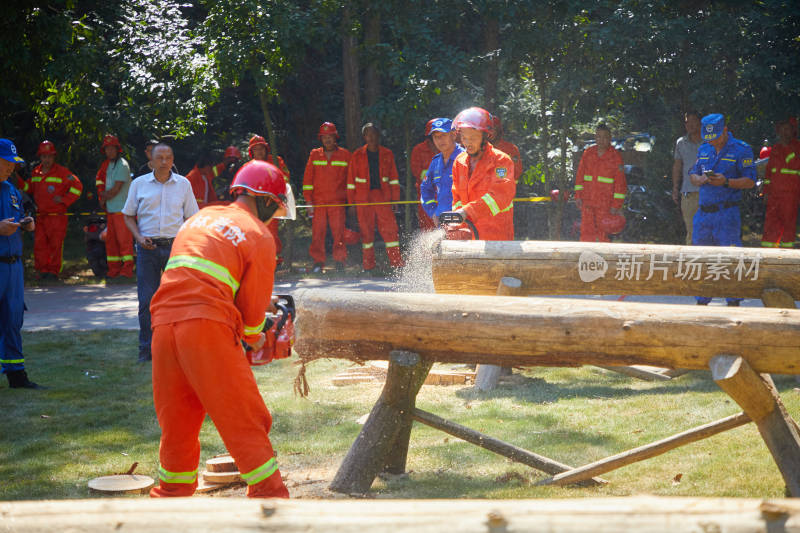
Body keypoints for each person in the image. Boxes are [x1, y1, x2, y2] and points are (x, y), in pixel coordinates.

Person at [148, 160, 291, 499]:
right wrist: (260, 336)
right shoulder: (259, 235)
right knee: (243, 415)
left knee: (178, 422)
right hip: (205, 328)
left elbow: (205, 277)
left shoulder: (198, 219)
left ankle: (171, 497)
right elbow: (254, 319)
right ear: (268, 200)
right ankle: (270, 497)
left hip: (164, 325)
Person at [123, 143, 198, 363]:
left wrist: (186, 243)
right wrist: (138, 238)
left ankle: (180, 347)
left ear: (173, 160)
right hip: (147, 249)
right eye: (160, 158)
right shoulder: (139, 184)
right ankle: (146, 350)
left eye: (168, 157)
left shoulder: (183, 184)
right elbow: (128, 215)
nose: (164, 161)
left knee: (180, 300)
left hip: (176, 248)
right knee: (147, 301)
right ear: (151, 162)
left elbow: (193, 218)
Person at [689, 113, 756, 306]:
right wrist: (699, 179)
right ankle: (702, 301)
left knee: (730, 259)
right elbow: (693, 173)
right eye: (709, 139)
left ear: (725, 130)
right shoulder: (704, 149)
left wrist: (726, 182)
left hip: (726, 214)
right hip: (703, 214)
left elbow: (750, 181)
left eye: (716, 138)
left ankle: (733, 302)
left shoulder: (741, 150)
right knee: (701, 258)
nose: (713, 143)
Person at [0, 139, 41, 389]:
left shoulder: (12, 190)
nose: (11, 168)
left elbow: (17, 218)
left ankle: (17, 375)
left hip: (13, 267)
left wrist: (28, 223)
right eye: (6, 163)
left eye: (13, 164)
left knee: (13, 320)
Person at [449, 107, 515, 240]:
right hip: (469, 235)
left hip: (497, 236)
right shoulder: (459, 161)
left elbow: (500, 195)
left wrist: (467, 212)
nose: (467, 143)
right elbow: (457, 197)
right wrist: (457, 221)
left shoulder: (500, 161)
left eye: (472, 138)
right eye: (464, 138)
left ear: (485, 137)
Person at [347, 123, 405, 272]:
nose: (371, 137)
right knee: (366, 233)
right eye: (367, 134)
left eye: (373, 134)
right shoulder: (357, 155)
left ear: (378, 136)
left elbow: (393, 178)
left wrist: (395, 200)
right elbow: (351, 181)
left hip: (382, 197)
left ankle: (396, 263)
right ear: (364, 137)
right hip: (363, 199)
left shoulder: (387, 154)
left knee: (390, 230)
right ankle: (368, 266)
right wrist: (352, 203)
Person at [25, 141, 83, 279]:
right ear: (40, 157)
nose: (47, 159)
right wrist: (18, 180)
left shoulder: (62, 172)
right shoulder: (36, 172)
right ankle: (42, 271)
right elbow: (29, 188)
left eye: (49, 156)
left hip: (57, 216)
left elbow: (77, 186)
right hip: (41, 216)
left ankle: (53, 272)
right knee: (40, 245)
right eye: (44, 156)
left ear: (54, 157)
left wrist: (64, 200)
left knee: (55, 245)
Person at [302, 122, 350, 272]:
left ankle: (340, 262)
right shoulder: (315, 154)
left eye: (330, 137)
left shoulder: (345, 155)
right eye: (324, 137)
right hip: (318, 202)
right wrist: (308, 200)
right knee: (318, 233)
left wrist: (350, 200)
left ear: (335, 137)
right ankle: (318, 263)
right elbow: (308, 180)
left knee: (339, 232)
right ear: (321, 139)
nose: (327, 140)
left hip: (337, 202)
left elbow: (350, 179)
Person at [574, 124, 627, 242]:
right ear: (595, 137)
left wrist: (616, 205)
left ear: (610, 138)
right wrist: (578, 195)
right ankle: (585, 258)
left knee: (603, 234)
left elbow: (620, 184)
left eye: (604, 137)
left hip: (605, 205)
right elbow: (580, 176)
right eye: (598, 137)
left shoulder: (615, 156)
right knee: (586, 233)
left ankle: (603, 259)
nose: (601, 140)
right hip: (587, 202)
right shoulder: (588, 153)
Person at [248, 135, 289, 265]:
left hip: (271, 202)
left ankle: (275, 260)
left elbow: (285, 178)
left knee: (271, 232)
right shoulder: (248, 166)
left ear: (266, 149)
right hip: (255, 204)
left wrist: (279, 192)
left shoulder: (276, 161)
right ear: (252, 152)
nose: (259, 152)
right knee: (255, 233)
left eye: (261, 148)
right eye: (256, 149)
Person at [98, 135, 135, 278]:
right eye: (107, 148)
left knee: (124, 243)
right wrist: (104, 199)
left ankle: (126, 271)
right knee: (111, 243)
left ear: (117, 149)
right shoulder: (108, 165)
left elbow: (115, 190)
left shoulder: (122, 165)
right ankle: (113, 271)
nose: (109, 151)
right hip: (112, 210)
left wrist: (102, 198)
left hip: (122, 211)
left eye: (112, 148)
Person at [761, 117, 800, 248]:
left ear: (793, 131)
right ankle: (767, 254)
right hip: (773, 196)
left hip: (790, 195)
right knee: (770, 225)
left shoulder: (798, 148)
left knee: (789, 225)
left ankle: (787, 256)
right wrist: (766, 192)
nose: (784, 132)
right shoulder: (775, 148)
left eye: (787, 129)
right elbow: (768, 174)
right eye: (782, 129)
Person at [420, 118, 463, 225]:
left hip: (464, 221)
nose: (439, 140)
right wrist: (433, 212)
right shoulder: (436, 162)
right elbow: (425, 189)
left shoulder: (465, 158)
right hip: (442, 222)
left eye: (443, 135)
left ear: (453, 135)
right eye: (436, 137)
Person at [672, 111, 703, 244]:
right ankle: (692, 263)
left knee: (707, 230)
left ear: (700, 123)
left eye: (693, 121)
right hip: (688, 193)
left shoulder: (709, 143)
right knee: (691, 231)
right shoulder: (681, 143)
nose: (690, 125)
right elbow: (677, 166)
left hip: (708, 193)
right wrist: (675, 188)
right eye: (687, 122)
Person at [410, 119, 438, 231]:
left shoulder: (448, 149)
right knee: (427, 227)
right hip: (427, 195)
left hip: (446, 194)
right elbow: (417, 172)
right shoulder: (418, 150)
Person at [490, 115, 523, 183]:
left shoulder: (511, 149)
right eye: (488, 129)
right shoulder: (479, 148)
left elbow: (517, 172)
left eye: (493, 129)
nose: (491, 132)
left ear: (498, 130)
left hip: (504, 188)